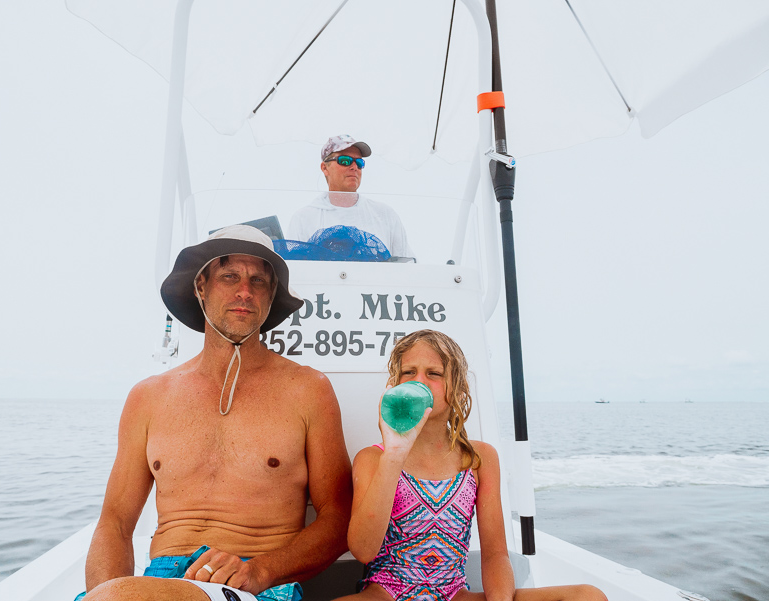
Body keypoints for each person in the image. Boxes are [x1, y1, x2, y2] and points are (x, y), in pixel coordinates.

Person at [80, 225, 353, 601]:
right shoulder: (148, 397)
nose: (245, 291)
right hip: (157, 583)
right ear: (201, 287)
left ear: (271, 296)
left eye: (259, 281)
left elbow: (339, 520)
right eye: (230, 276)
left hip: (255, 583)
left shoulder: (308, 390)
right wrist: (106, 591)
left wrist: (260, 571)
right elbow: (114, 523)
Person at [337, 330, 608, 601]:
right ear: (396, 383)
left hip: (454, 594)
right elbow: (363, 550)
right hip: (386, 594)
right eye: (409, 372)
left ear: (457, 386)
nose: (419, 381)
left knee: (588, 596)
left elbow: (495, 556)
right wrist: (394, 455)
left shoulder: (479, 459)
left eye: (434, 373)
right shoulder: (373, 459)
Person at [286, 135, 414, 258]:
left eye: (359, 162)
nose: (354, 167)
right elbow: (295, 271)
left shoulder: (385, 215)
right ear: (325, 168)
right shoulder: (303, 218)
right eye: (345, 161)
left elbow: (407, 265)